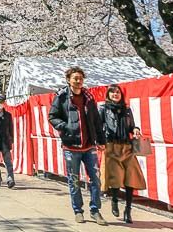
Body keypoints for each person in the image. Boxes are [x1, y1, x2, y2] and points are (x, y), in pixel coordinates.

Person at [49, 67, 107, 226]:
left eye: (80, 78)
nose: (78, 81)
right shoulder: (61, 97)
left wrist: (101, 141)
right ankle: (78, 211)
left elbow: (96, 121)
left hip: (89, 147)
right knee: (74, 181)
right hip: (70, 146)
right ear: (68, 80)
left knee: (95, 179)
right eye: (75, 78)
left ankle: (95, 210)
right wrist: (64, 127)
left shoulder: (89, 97)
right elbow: (52, 116)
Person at [100, 84, 146, 223]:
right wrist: (100, 141)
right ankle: (114, 199)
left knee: (131, 178)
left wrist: (136, 129)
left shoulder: (127, 110)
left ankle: (128, 209)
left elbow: (132, 126)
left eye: (118, 92)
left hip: (127, 146)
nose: (115, 94)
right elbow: (99, 126)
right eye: (112, 92)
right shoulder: (103, 109)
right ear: (108, 94)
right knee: (115, 178)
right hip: (111, 146)